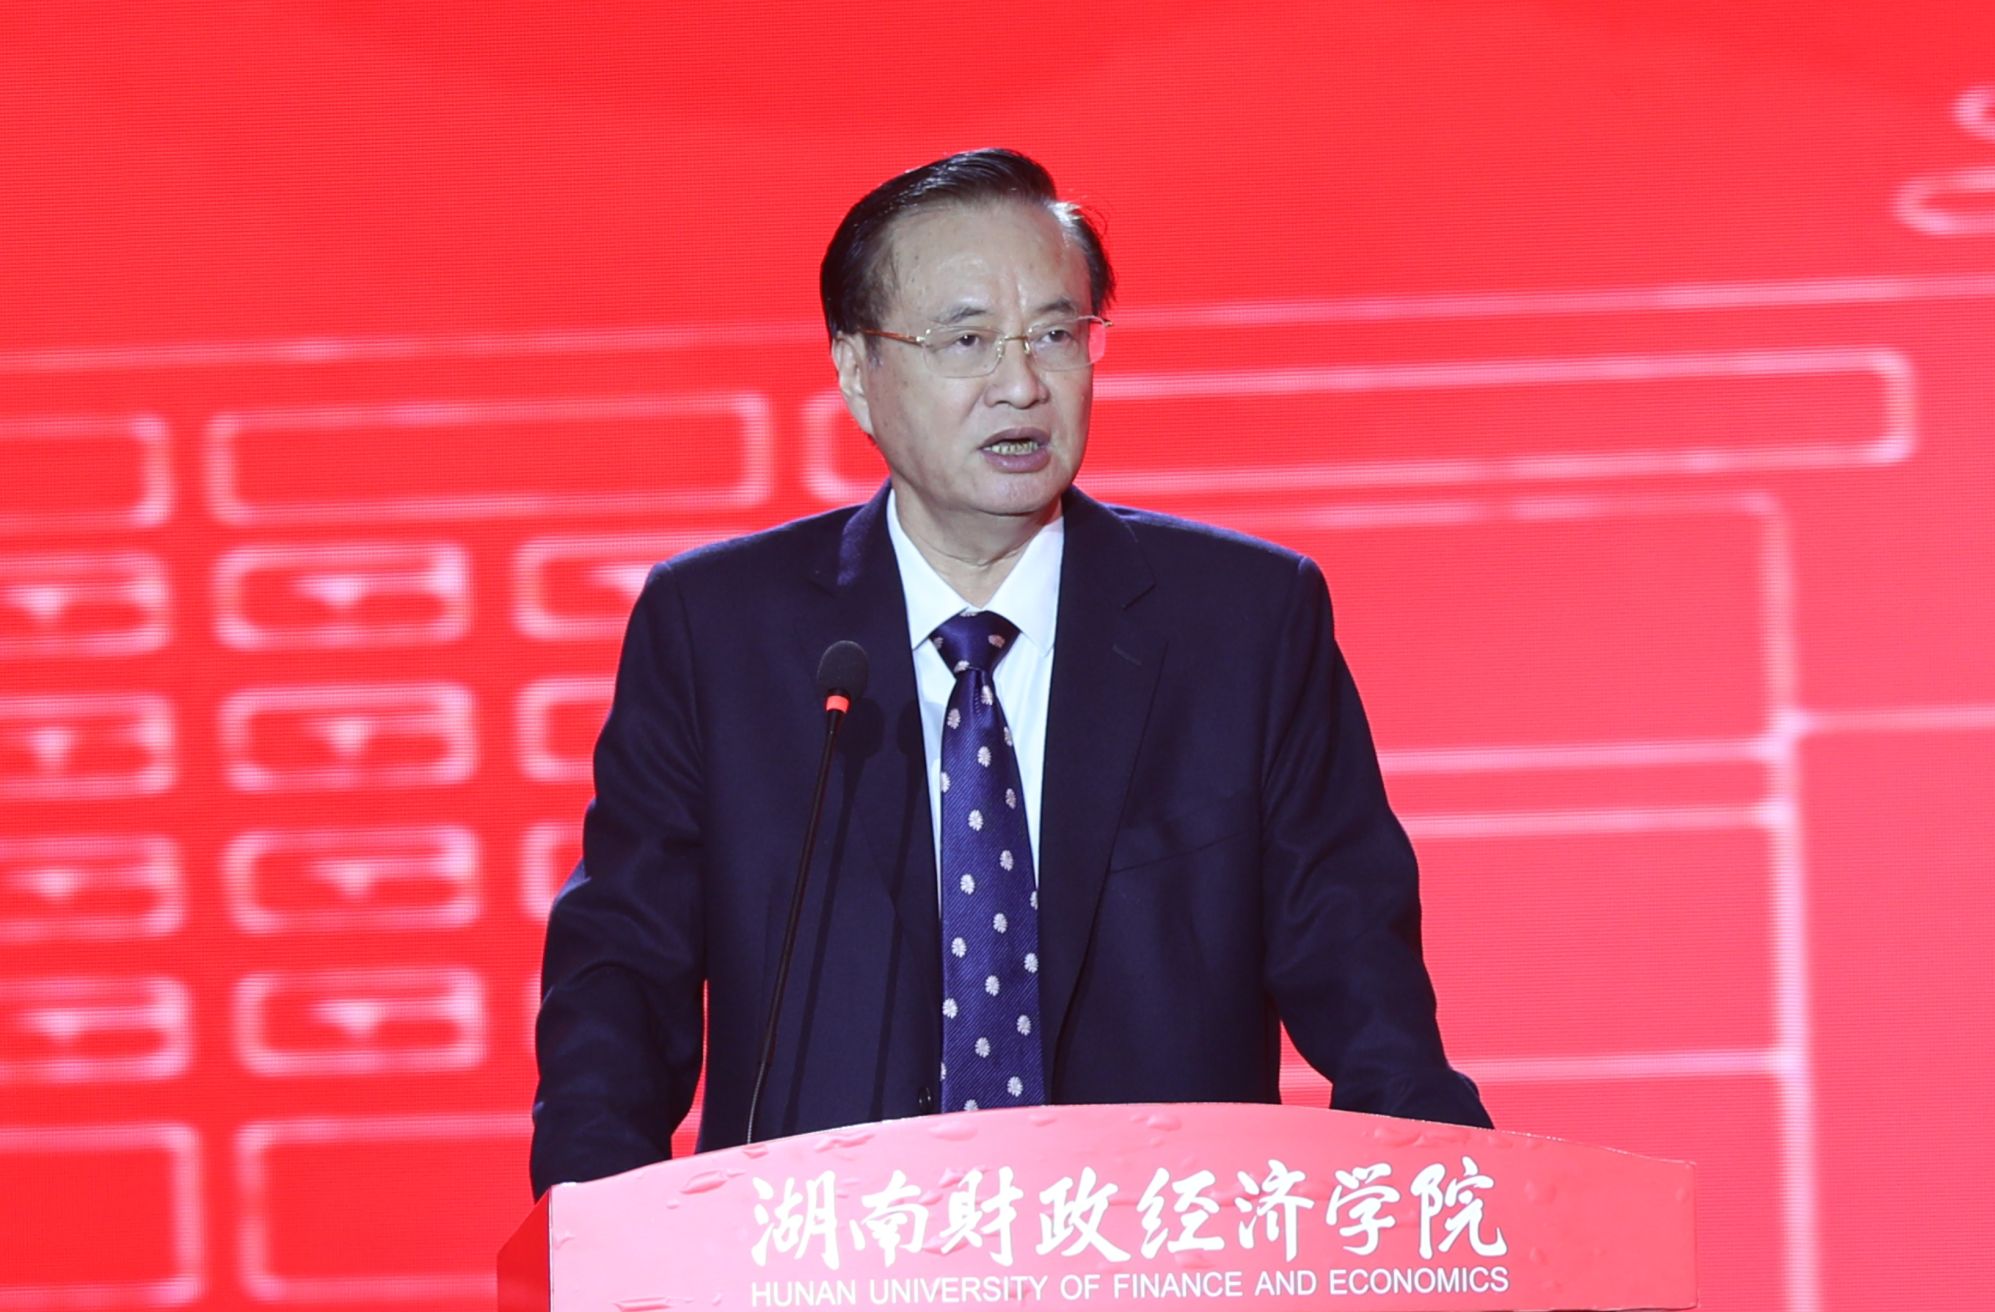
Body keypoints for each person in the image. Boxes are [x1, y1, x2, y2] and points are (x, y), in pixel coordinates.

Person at [530, 148, 1488, 1197]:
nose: (1022, 384)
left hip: (1153, 1248)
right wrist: (589, 1231)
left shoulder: (1245, 623)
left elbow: (1358, 969)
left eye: (1055, 335)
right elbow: (622, 978)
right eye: (967, 340)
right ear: (857, 370)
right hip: (818, 1248)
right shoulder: (717, 632)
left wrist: (1453, 1208)